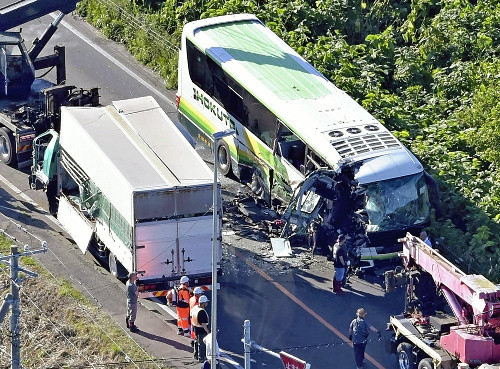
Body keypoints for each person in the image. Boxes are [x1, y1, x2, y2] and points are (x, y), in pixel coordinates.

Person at [192, 295, 210, 362]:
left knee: (196, 342)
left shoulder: (195, 308)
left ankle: (196, 355)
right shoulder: (202, 312)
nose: (207, 303)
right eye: (206, 302)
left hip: (195, 328)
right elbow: (203, 324)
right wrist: (208, 332)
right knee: (202, 345)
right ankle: (201, 357)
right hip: (201, 330)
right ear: (203, 303)